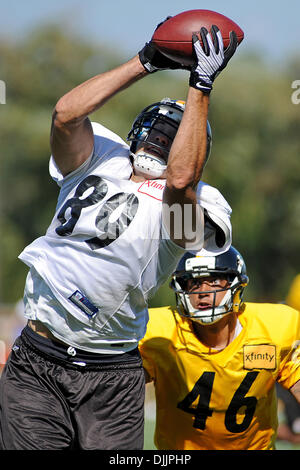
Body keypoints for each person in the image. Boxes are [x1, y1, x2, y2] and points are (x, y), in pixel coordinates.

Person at [0, 21, 240, 450]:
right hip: (38, 355)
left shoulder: (197, 203)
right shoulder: (102, 154)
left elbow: (181, 181)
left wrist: (200, 86)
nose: (161, 143)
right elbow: (66, 113)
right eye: (159, 131)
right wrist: (145, 61)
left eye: (175, 138)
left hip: (111, 375)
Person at [139, 246, 300, 450]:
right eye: (195, 283)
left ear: (235, 284)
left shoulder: (276, 329)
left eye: (214, 280)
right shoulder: (160, 333)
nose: (203, 292)